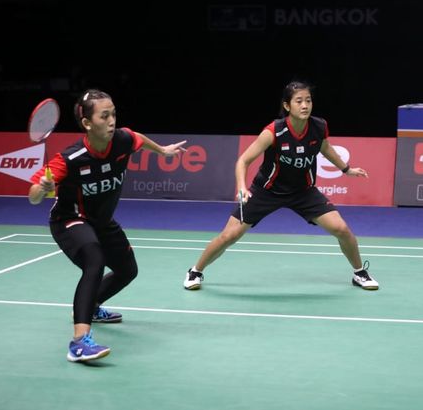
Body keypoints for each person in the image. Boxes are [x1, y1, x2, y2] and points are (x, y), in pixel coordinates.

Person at [28, 89, 187, 363]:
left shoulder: (122, 140)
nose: (112, 120)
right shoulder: (70, 158)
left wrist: (162, 151)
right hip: (70, 219)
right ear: (88, 124)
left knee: (128, 270)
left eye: (113, 113)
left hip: (102, 222)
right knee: (94, 260)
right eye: (105, 116)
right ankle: (79, 342)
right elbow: (32, 197)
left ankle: (92, 305)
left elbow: (137, 138)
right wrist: (43, 188)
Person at [183, 80, 378, 291]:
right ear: (287, 106)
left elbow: (325, 148)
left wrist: (346, 169)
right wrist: (241, 186)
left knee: (341, 229)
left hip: (303, 192)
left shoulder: (318, 126)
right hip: (267, 191)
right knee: (229, 235)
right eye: (299, 101)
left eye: (308, 101)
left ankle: (359, 273)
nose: (305, 105)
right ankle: (196, 271)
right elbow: (243, 161)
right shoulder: (273, 131)